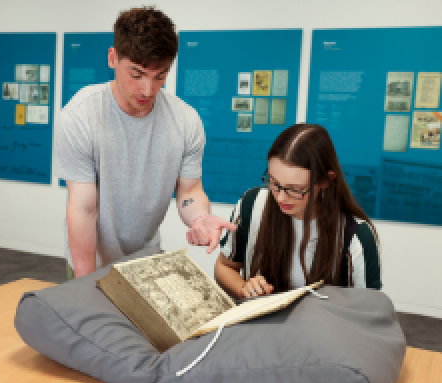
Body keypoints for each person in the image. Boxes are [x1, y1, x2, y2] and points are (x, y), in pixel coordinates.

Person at [54, 7, 235, 279]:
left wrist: (199, 218)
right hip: (90, 259)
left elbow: (189, 192)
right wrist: (84, 281)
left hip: (147, 260)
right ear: (113, 58)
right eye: (136, 74)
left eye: (159, 76)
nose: (147, 90)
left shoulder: (186, 121)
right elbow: (83, 209)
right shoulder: (80, 117)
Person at [215, 124, 381, 299]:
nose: (280, 198)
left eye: (296, 189)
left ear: (326, 180)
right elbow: (224, 266)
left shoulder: (355, 235)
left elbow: (367, 310)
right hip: (260, 325)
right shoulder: (252, 204)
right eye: (274, 182)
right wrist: (245, 288)